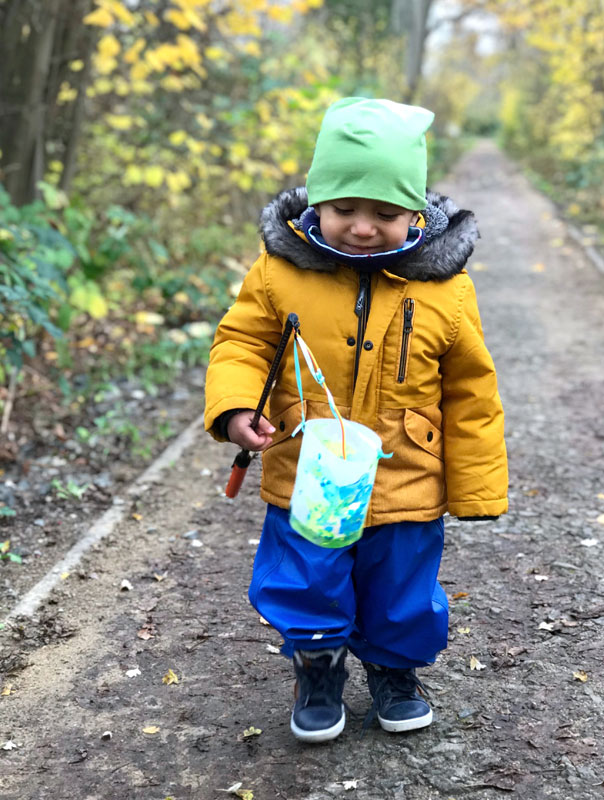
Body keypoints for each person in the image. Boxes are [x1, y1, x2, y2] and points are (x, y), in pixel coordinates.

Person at [204, 97, 508, 743]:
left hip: (409, 477)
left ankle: (395, 670)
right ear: (318, 201)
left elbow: (472, 389)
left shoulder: (445, 288)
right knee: (307, 578)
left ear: (417, 213)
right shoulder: (280, 270)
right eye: (345, 209)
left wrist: (478, 487)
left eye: (385, 213)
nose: (363, 228)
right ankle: (317, 665)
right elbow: (240, 344)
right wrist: (234, 408)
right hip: (310, 470)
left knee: (402, 587)